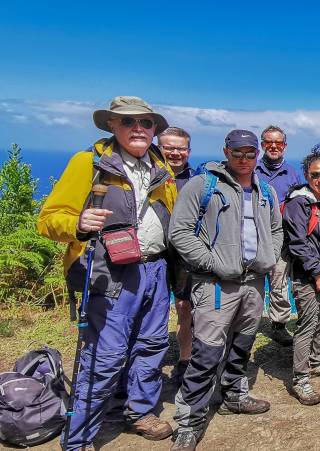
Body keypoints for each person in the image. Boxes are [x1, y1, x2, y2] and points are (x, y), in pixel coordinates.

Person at [37, 96, 176, 450]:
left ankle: (139, 410)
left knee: (152, 344)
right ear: (112, 126)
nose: (138, 129)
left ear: (154, 129)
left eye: (146, 123)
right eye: (128, 122)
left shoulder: (162, 167)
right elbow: (48, 220)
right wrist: (78, 223)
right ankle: (79, 436)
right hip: (108, 272)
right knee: (104, 355)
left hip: (155, 267)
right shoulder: (91, 163)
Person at [168, 129, 282, 451]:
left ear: (257, 154)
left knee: (242, 345)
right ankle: (189, 421)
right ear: (226, 152)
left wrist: (269, 257)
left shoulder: (265, 191)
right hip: (216, 285)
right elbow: (180, 231)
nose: (244, 159)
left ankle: (235, 394)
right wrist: (211, 262)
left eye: (250, 153)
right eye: (238, 153)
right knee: (206, 353)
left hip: (253, 282)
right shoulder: (204, 186)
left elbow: (275, 229)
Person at [283, 147, 320, 405]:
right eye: (316, 174)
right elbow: (298, 242)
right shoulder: (300, 202)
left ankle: (316, 362)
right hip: (308, 276)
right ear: (307, 174)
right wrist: (317, 273)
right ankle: (300, 378)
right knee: (307, 325)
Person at [255, 124, 303, 347]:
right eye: (268, 142)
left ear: (284, 146)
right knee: (251, 281)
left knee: (278, 281)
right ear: (262, 144)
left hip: (281, 236)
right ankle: (249, 321)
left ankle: (279, 324)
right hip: (252, 235)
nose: (273, 146)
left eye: (278, 143)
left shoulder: (293, 173)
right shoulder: (251, 169)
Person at [157, 126, 195, 383]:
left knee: (184, 305)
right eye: (169, 147)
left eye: (180, 148)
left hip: (184, 253)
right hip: (154, 252)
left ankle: (185, 358)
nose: (175, 152)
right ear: (159, 148)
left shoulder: (197, 179)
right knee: (154, 308)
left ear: (188, 151)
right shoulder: (149, 176)